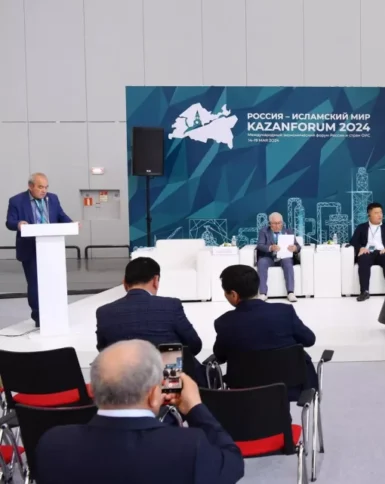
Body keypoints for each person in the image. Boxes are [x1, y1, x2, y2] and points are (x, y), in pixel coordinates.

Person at [35, 340, 244, 484]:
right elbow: (233, 462)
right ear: (154, 394)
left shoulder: (52, 444)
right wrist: (195, 407)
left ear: (94, 391)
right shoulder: (190, 446)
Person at [96, 257, 207, 386]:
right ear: (155, 280)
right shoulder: (171, 306)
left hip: (125, 386)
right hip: (170, 386)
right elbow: (194, 345)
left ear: (124, 282)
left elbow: (104, 350)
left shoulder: (104, 312)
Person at [213, 265, 318, 400]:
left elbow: (220, 356)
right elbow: (309, 340)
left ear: (234, 294)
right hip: (291, 387)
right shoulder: (284, 312)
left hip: (243, 390)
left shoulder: (224, 322)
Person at [5, 173, 74, 327]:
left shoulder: (52, 198)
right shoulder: (16, 200)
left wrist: (72, 224)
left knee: (54, 281)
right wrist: (19, 224)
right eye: (40, 187)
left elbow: (61, 215)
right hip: (30, 248)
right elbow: (9, 222)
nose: (44, 191)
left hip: (52, 248)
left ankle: (56, 313)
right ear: (30, 186)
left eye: (46, 187)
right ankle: (38, 317)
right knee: (35, 283)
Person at [349, 202, 385, 302]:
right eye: (376, 213)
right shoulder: (361, 227)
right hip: (368, 252)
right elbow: (353, 241)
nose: (379, 215)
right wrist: (361, 248)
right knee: (363, 259)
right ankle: (364, 292)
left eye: (381, 212)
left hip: (382, 252)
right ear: (369, 215)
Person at [255, 212, 301, 302]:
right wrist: (270, 248)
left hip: (284, 257)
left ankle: (290, 293)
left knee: (288, 262)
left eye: (279, 223)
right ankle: (263, 293)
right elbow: (260, 245)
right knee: (262, 262)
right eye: (275, 223)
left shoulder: (288, 231)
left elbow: (298, 246)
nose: (277, 226)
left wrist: (295, 248)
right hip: (269, 257)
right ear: (270, 223)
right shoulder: (264, 231)